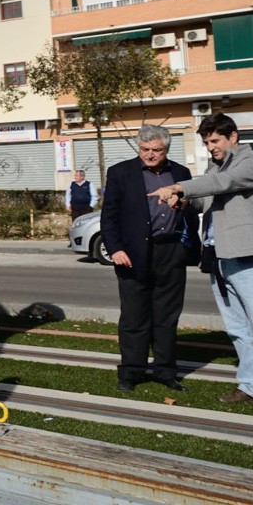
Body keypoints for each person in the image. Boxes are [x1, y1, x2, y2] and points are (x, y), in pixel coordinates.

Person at [150, 114, 253, 423]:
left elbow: (222, 183)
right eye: (205, 143)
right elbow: (206, 201)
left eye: (214, 141)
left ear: (234, 137)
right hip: (219, 257)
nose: (210, 147)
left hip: (249, 256)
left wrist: (179, 186)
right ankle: (252, 385)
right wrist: (184, 202)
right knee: (239, 330)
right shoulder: (215, 168)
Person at [100, 126, 196, 392]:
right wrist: (115, 249)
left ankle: (166, 372)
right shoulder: (120, 173)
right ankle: (131, 372)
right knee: (134, 316)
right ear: (138, 146)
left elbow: (191, 210)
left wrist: (184, 205)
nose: (150, 155)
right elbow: (109, 217)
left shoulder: (181, 174)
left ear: (166, 149)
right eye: (145, 149)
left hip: (171, 251)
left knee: (167, 317)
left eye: (156, 150)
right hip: (132, 255)